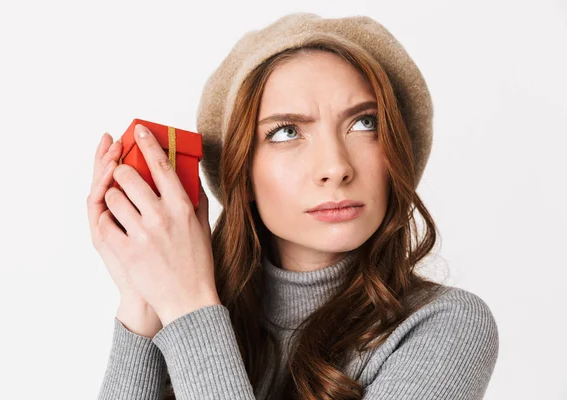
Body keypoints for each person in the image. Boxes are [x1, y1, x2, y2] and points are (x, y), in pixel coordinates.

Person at [92, 12, 499, 400]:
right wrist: (143, 302)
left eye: (365, 123)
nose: (336, 167)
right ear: (242, 174)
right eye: (287, 132)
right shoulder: (196, 314)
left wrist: (188, 305)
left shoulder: (447, 325)